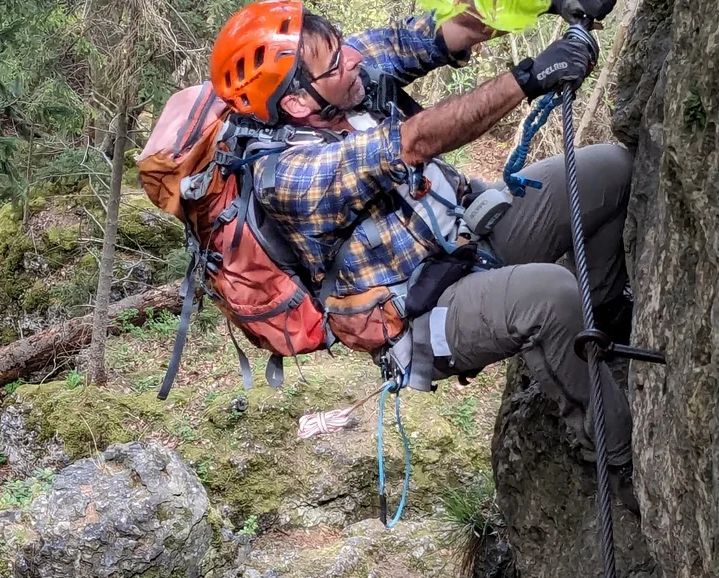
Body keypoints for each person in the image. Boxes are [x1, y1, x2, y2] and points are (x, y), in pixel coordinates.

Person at [209, 0, 637, 480]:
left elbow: (443, 31)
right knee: (552, 296)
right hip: (420, 314)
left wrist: (548, 2)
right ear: (297, 103)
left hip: (469, 233)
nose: (351, 59)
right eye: (334, 60)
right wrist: (528, 78)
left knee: (611, 171)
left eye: (341, 47)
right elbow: (411, 142)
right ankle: (614, 459)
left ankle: (598, 325)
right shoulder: (286, 176)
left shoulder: (345, 75)